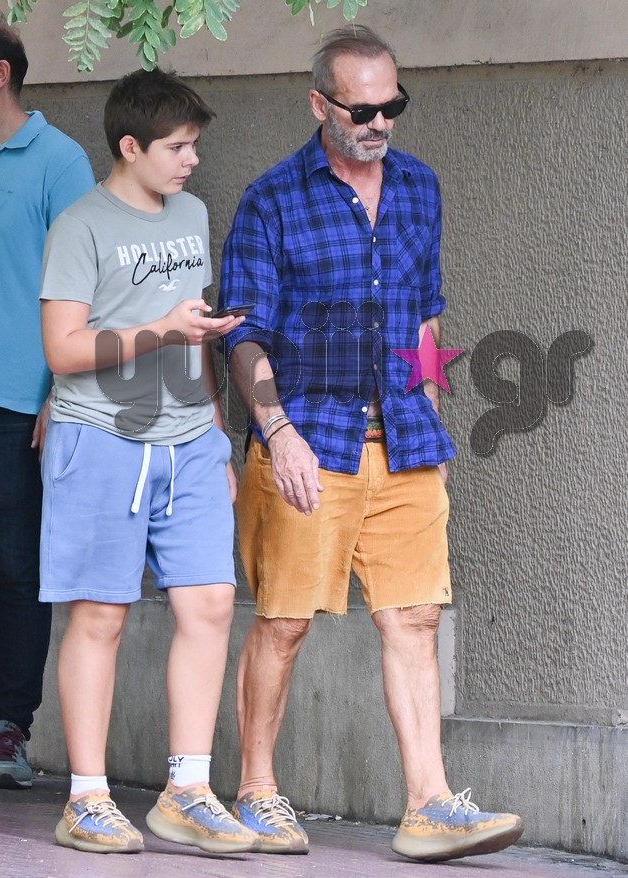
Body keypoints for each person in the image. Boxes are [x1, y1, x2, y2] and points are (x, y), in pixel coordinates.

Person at [218, 25, 523, 861]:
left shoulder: (420, 187)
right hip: (308, 442)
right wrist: (277, 433)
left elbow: (425, 315)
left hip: (405, 442)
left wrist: (429, 415)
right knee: (284, 623)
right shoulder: (273, 199)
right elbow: (243, 334)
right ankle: (256, 793)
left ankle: (429, 804)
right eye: (362, 109)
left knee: (415, 617)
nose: (380, 122)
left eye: (393, 105)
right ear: (320, 104)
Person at [38, 67, 259, 855]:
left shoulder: (192, 212)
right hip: (100, 437)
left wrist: (216, 435)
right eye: (177, 147)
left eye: (195, 145)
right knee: (101, 614)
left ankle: (187, 791)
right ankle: (87, 799)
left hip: (190, 441)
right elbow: (63, 350)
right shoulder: (81, 227)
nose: (192, 160)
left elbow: (193, 332)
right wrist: (161, 329)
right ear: (130, 147)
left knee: (211, 604)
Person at [0, 6, 94, 789]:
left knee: (20, 571)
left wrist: (63, 391)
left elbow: (87, 284)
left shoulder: (59, 160)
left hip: (19, 404)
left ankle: (7, 732)